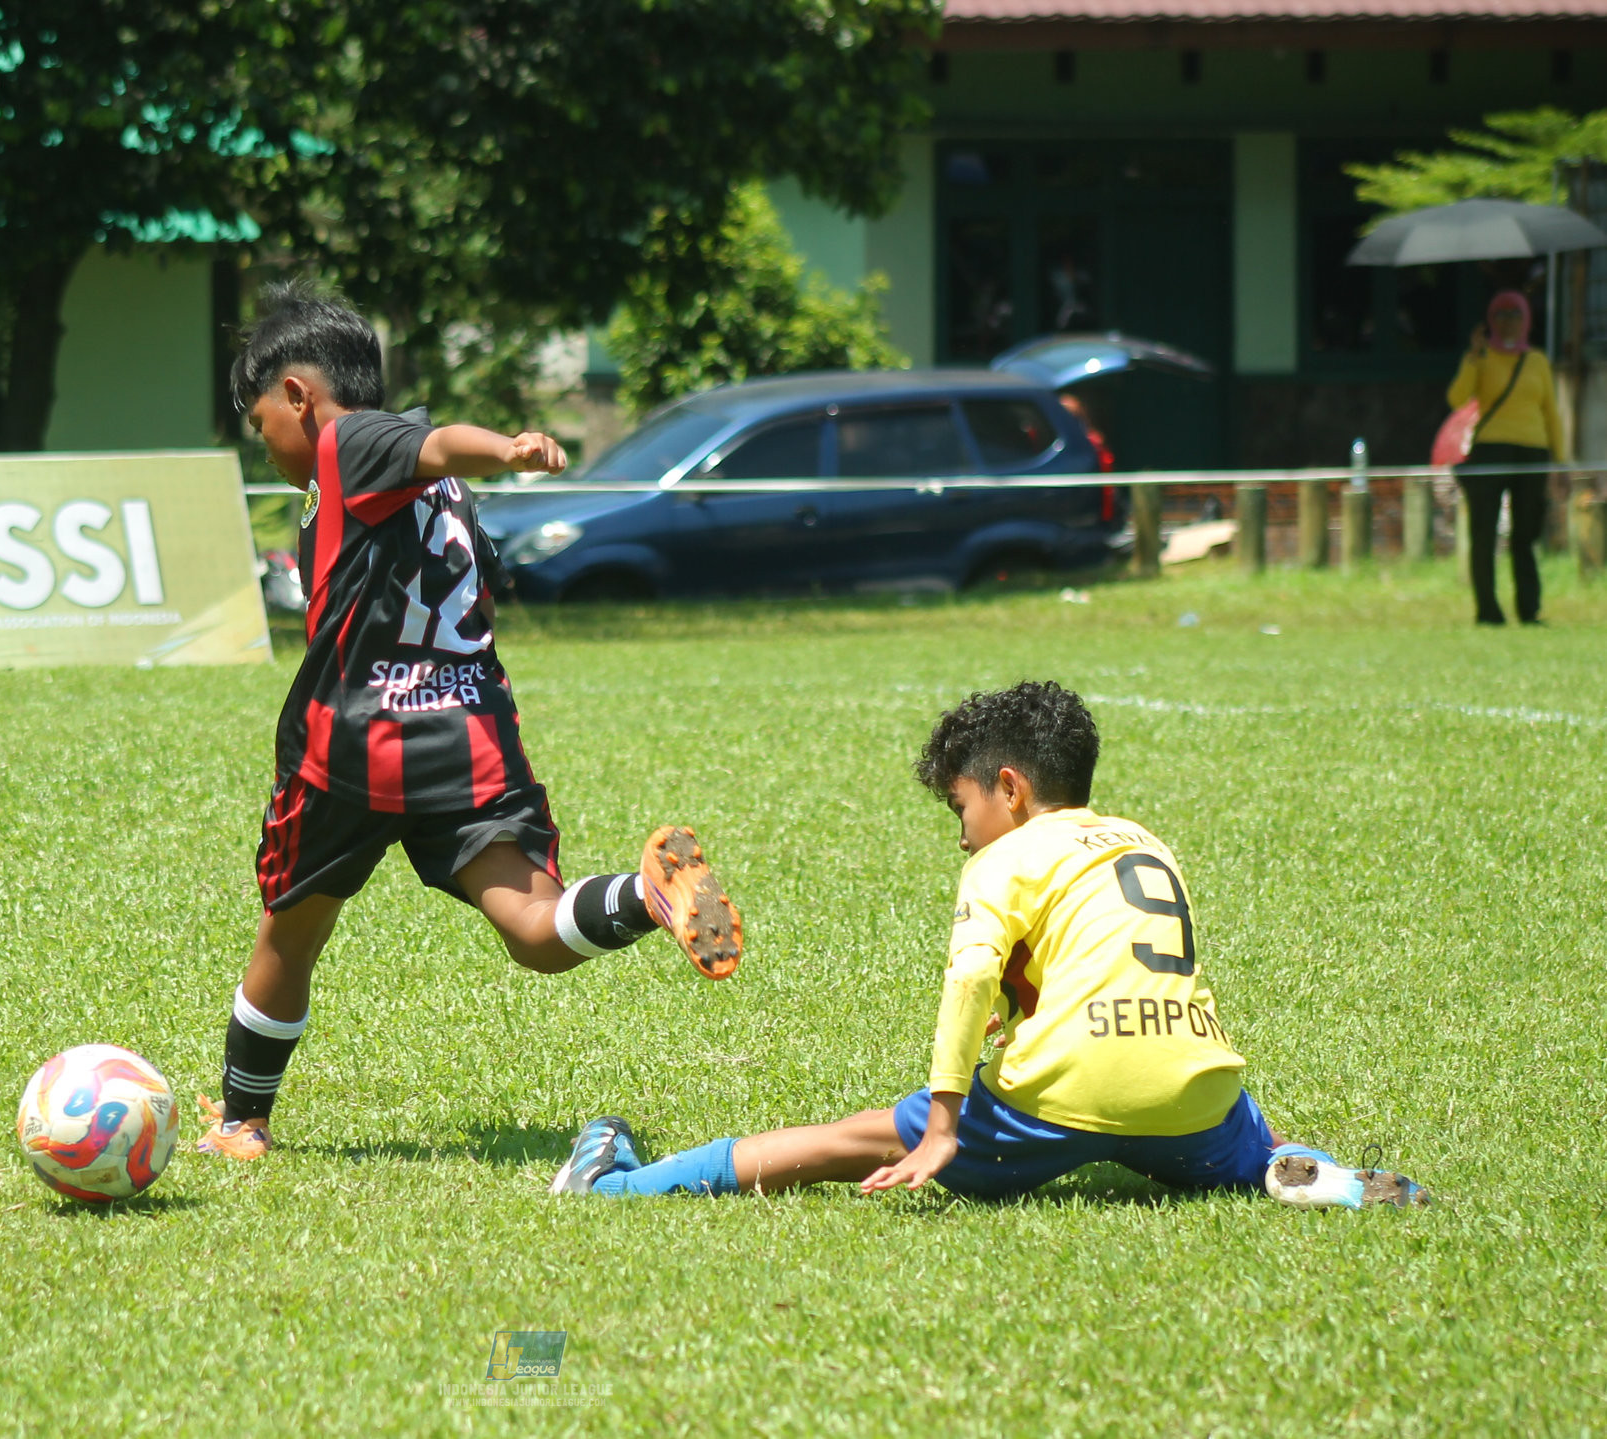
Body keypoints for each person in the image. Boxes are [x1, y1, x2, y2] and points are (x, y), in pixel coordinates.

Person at [195, 283, 743, 1160]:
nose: (270, 449)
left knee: (290, 932)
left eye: (263, 426)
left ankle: (240, 1122)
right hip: (468, 735)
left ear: (298, 395)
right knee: (536, 929)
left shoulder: (348, 441)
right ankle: (647, 894)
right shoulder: (437, 490)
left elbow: (444, 439)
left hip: (356, 744)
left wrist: (508, 446)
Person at [551, 681, 1428, 1210]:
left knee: (846, 1140)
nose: (963, 833)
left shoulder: (1004, 856)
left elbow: (972, 977)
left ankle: (613, 1183)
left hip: (1065, 1091)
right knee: (1247, 1142)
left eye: (961, 807)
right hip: (1196, 1091)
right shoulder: (1144, 839)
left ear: (1009, 788)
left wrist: (940, 1127)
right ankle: (1308, 1173)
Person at [1449, 289, 1566, 626]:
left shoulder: (1538, 361)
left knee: (1525, 534)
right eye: (1501, 315)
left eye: (1515, 315)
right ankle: (1488, 611)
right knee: (1483, 533)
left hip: (1532, 451)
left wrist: (1560, 462)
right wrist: (1473, 357)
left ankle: (1529, 610)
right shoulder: (1482, 357)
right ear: (1491, 321)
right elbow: (1457, 398)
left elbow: (1551, 413)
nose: (1508, 322)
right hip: (1491, 449)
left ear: (1526, 320)